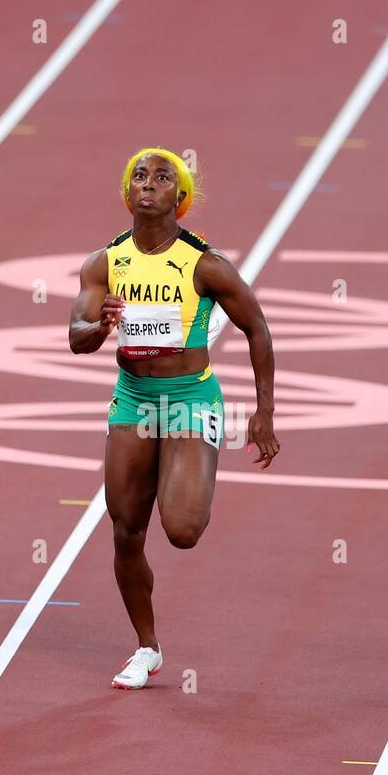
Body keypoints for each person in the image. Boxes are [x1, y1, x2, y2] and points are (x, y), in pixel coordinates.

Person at [69, 148, 280, 689]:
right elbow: (76, 337)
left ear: (179, 198)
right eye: (139, 176)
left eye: (163, 178)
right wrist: (101, 326)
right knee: (125, 529)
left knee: (182, 530)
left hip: (190, 399)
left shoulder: (204, 263)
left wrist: (264, 413)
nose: (148, 184)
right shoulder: (105, 262)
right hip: (134, 398)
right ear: (127, 192)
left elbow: (257, 328)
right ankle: (147, 647)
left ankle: (189, 471)